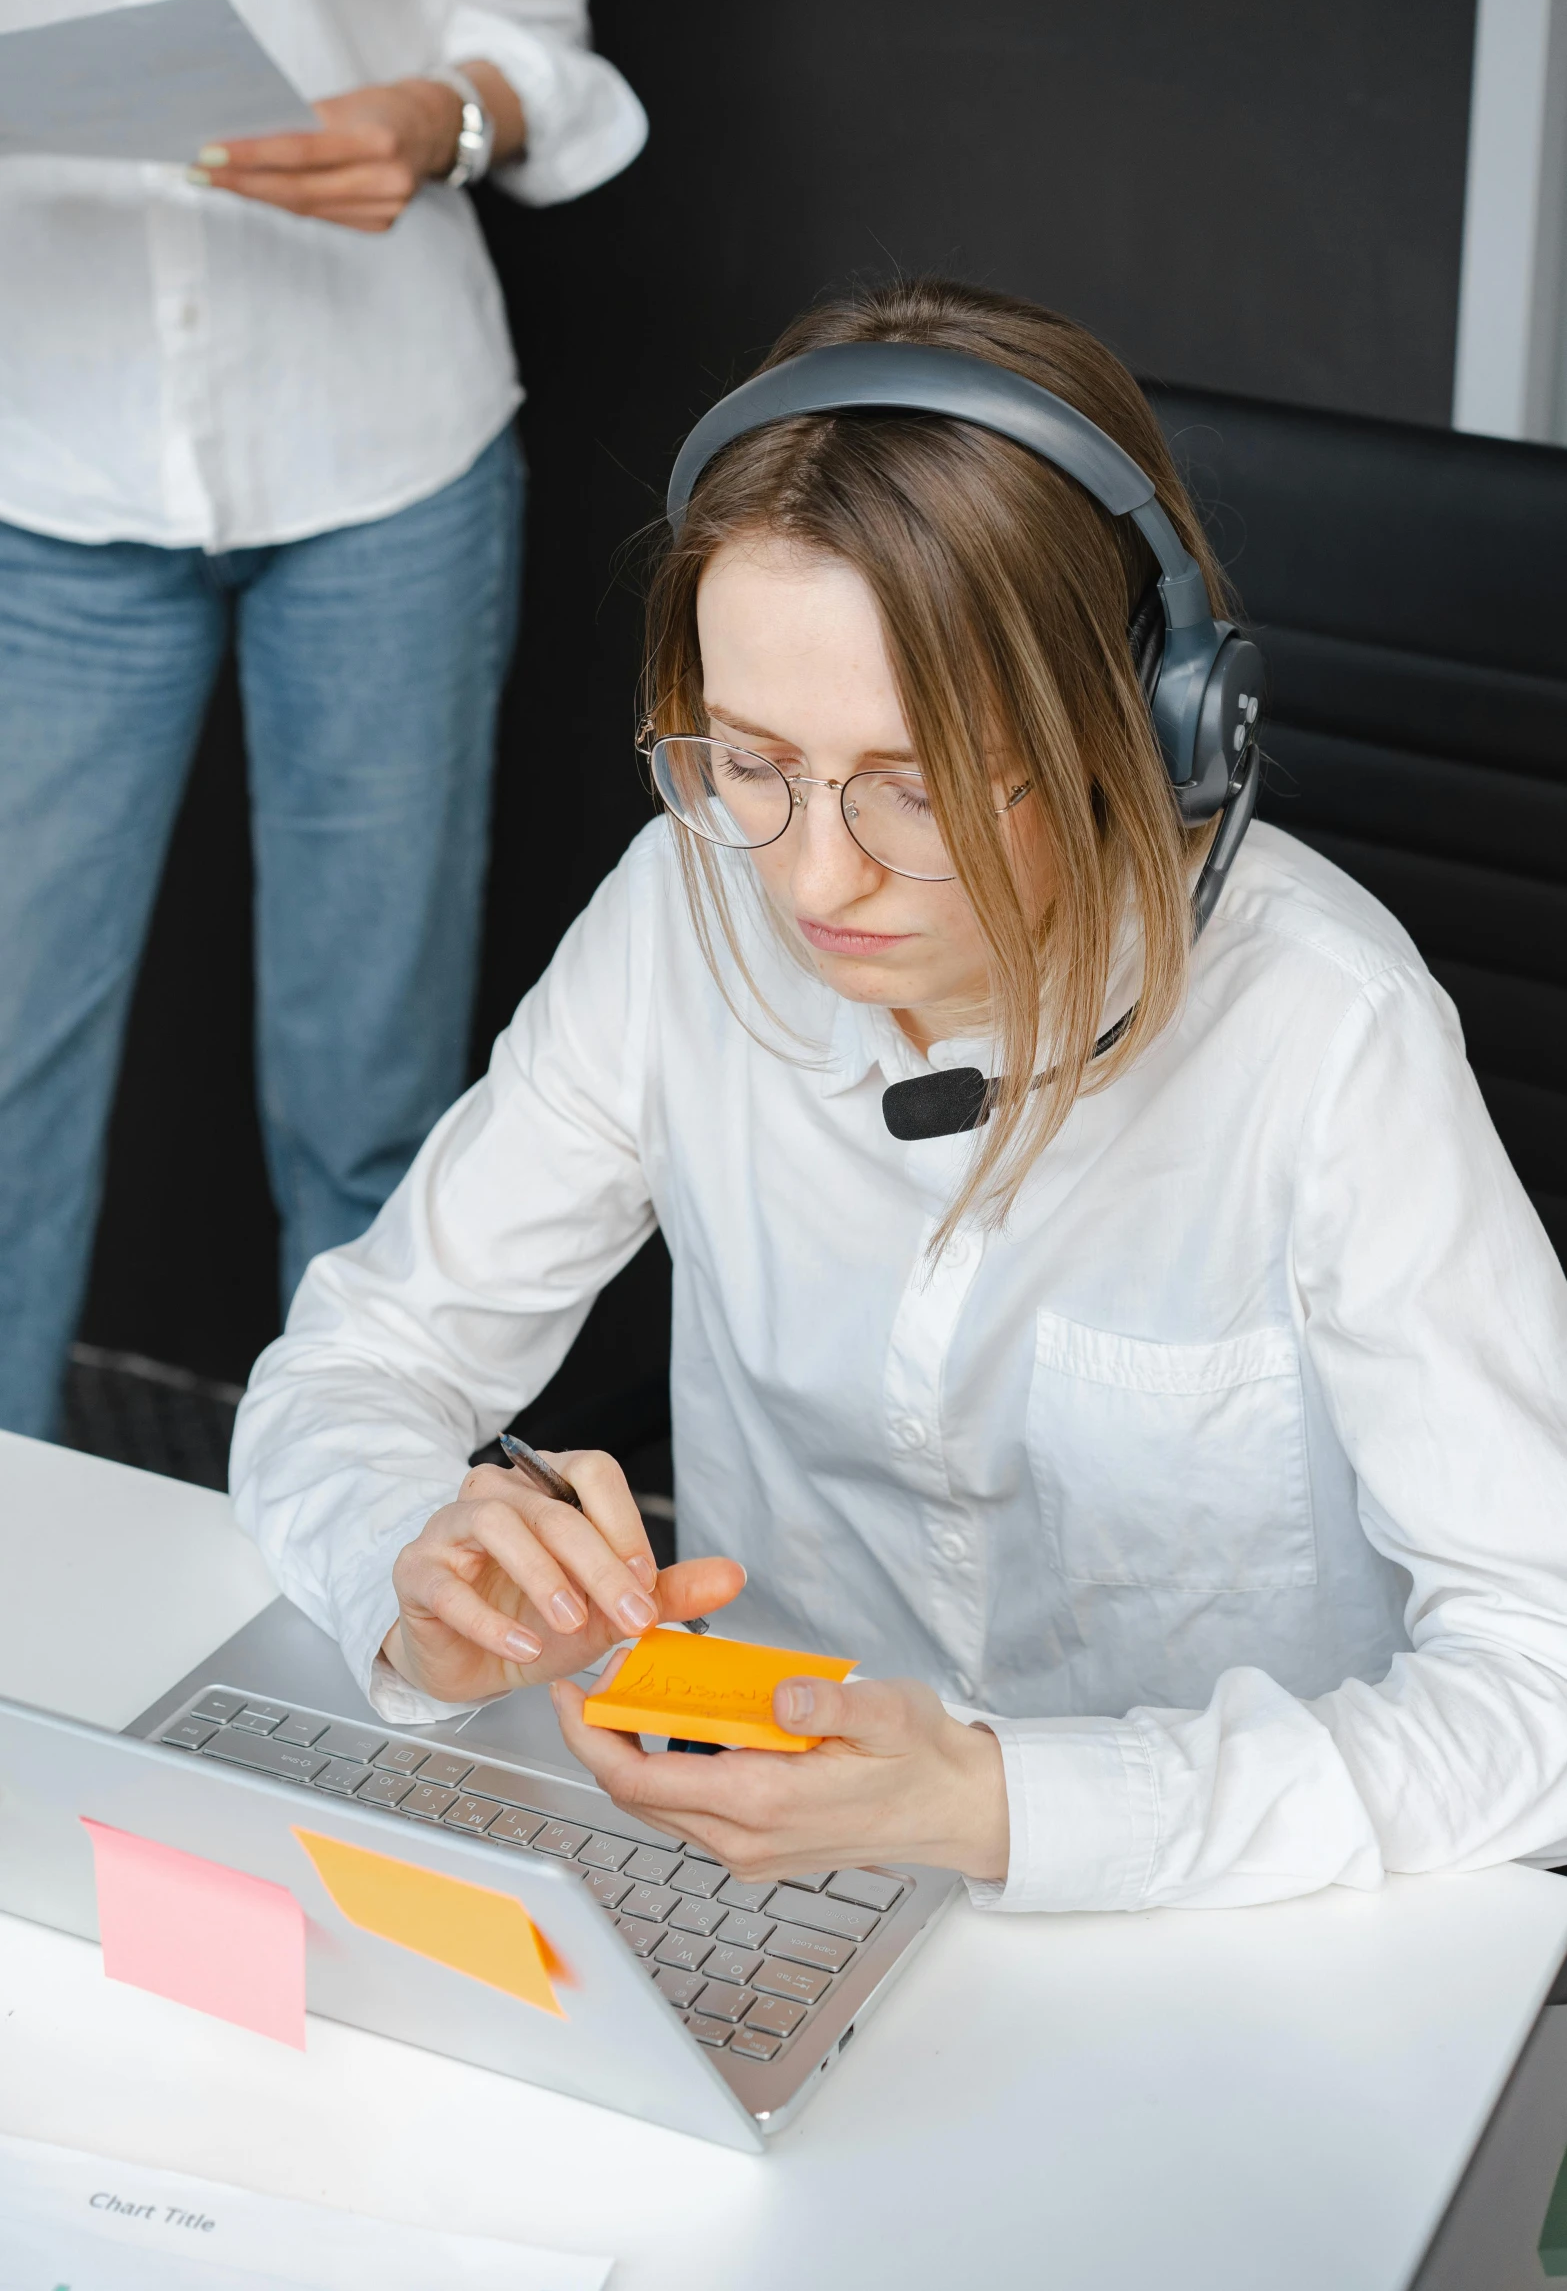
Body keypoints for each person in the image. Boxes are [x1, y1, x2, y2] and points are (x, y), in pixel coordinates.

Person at [231, 279, 1567, 1913]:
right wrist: (413, 1567)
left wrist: (1002, 1804)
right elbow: (356, 1364)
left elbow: (1539, 1681)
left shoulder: (1327, 1032)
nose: (809, 868)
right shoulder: (683, 910)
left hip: (1232, 1914)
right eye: (748, 757)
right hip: (777, 1876)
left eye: (913, 782)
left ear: (1142, 732)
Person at [0, 0, 646, 1437]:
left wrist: (447, 117)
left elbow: (524, 21)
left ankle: (364, 1585)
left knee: (374, 1101)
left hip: (383, 452)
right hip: (38, 459)